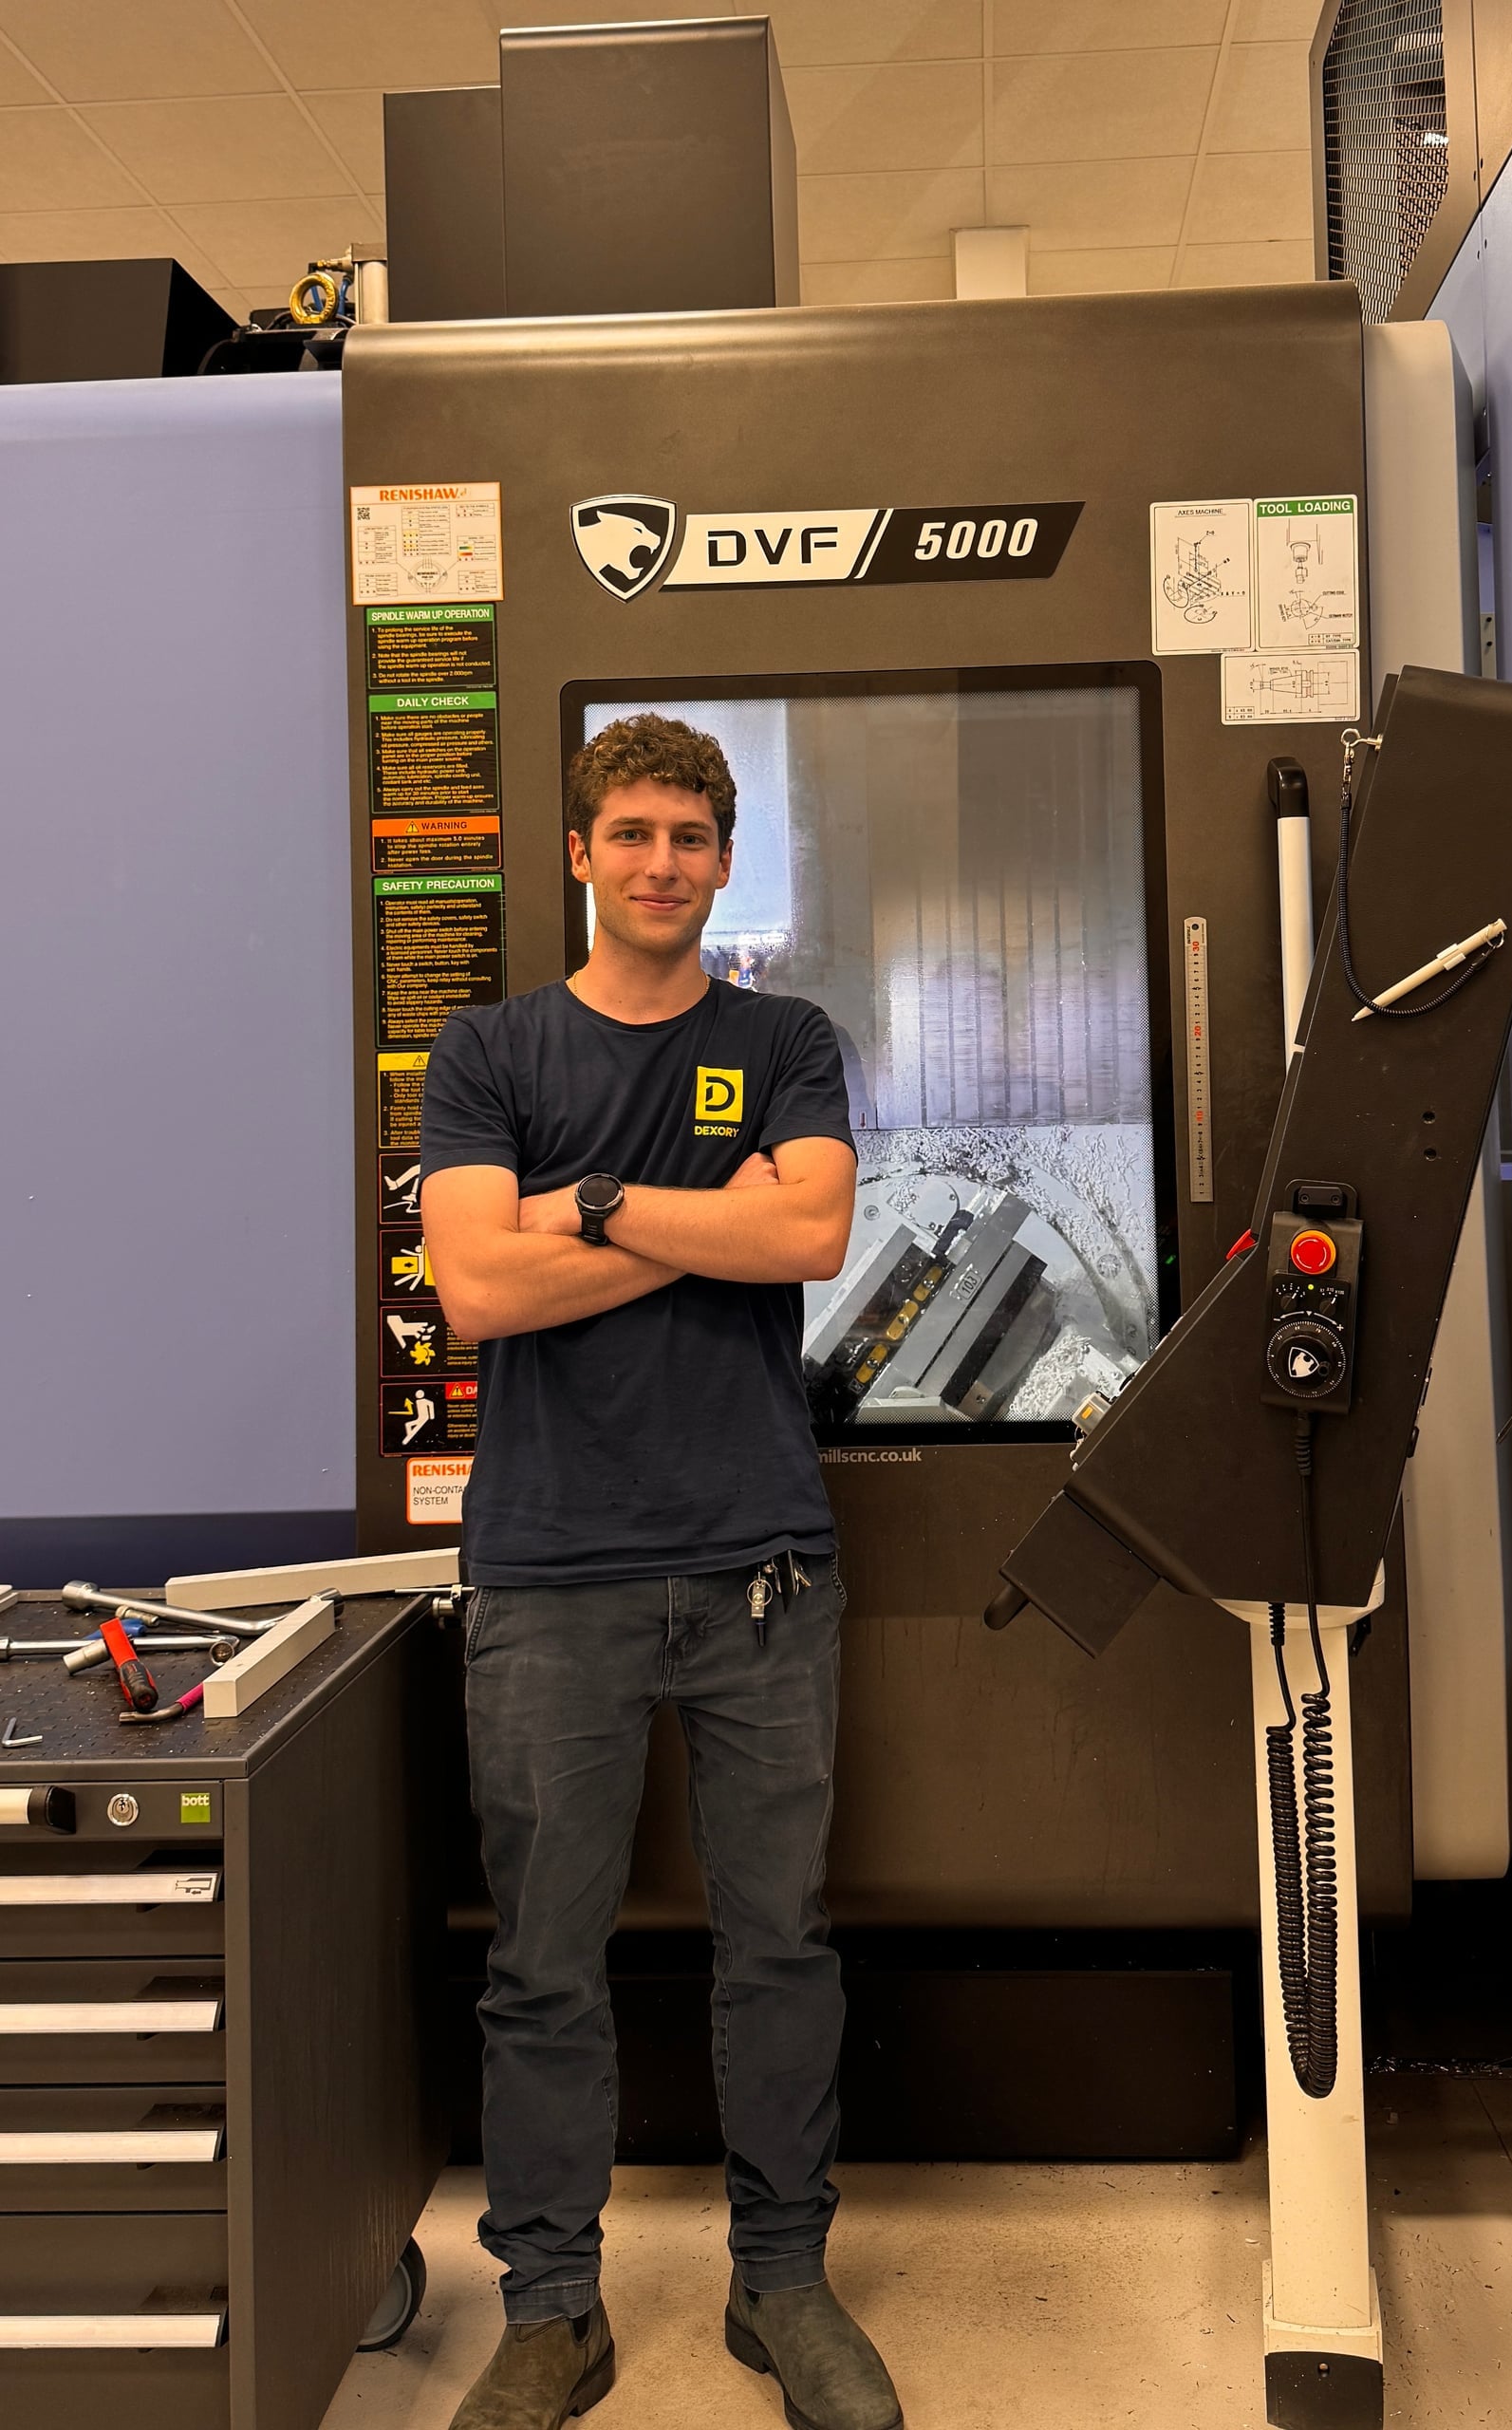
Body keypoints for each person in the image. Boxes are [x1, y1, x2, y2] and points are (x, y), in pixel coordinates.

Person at [420, 712, 902, 2430]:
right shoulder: (487, 1050)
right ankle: (552, 2309)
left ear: (722, 858)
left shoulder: (786, 1035)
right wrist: (689, 1211)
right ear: (579, 852)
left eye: (691, 837)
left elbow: (811, 1235)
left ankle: (783, 2285)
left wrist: (582, 1208)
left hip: (762, 1565)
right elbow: (470, 1292)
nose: (659, 865)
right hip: (551, 1574)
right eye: (629, 833)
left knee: (779, 1947)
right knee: (541, 1962)